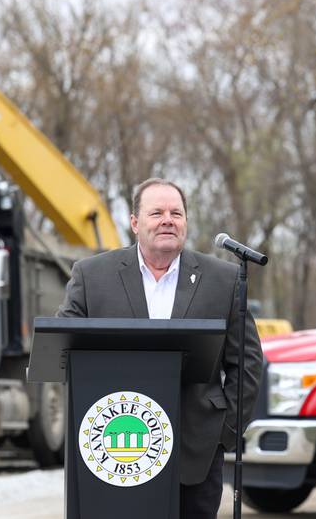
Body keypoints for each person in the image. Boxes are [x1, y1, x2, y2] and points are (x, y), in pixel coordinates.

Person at [58, 177, 263, 518]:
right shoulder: (92, 276)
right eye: (157, 212)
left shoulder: (224, 280)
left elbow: (248, 363)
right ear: (135, 223)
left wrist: (223, 434)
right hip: (116, 449)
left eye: (176, 213)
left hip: (196, 451)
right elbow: (61, 346)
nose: (168, 219)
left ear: (185, 222)